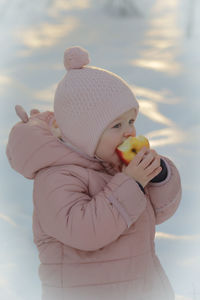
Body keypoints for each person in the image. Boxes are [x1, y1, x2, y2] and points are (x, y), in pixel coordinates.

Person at [6, 46, 182, 300]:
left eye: (131, 122)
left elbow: (159, 212)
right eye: (117, 125)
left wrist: (158, 176)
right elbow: (83, 230)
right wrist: (132, 183)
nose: (129, 133)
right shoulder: (56, 176)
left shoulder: (115, 165)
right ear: (83, 133)